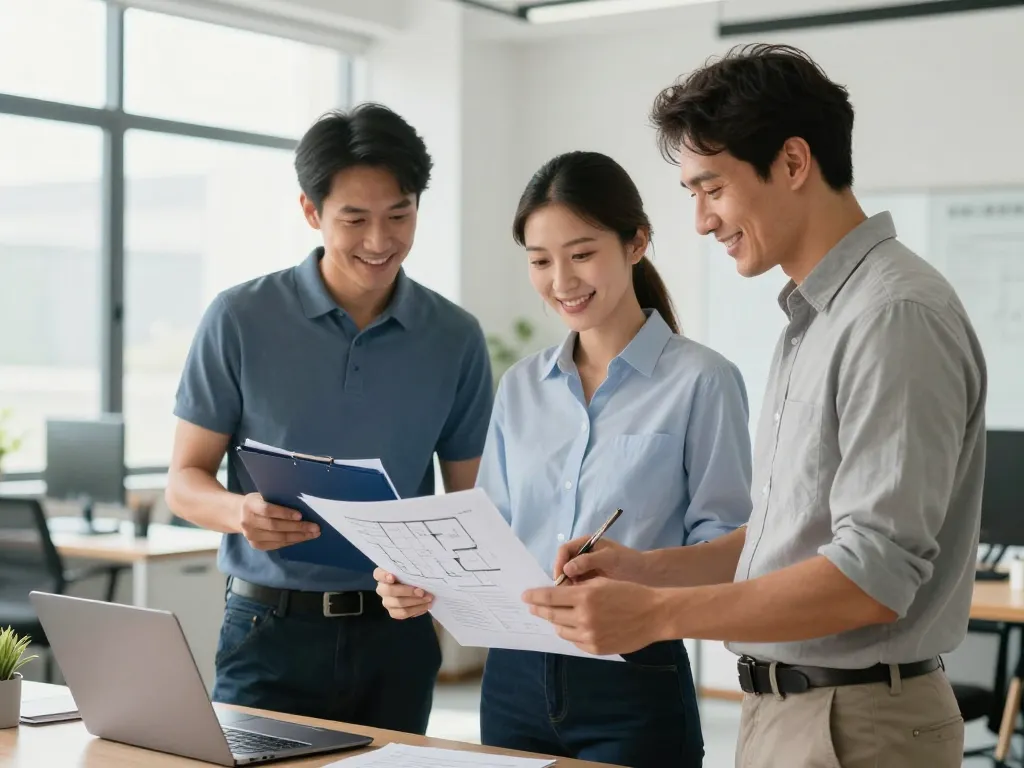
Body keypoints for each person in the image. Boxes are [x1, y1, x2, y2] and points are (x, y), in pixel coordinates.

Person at [521, 44, 988, 768]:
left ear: (794, 163)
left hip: (856, 724)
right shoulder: (816, 319)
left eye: (712, 188)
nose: (703, 222)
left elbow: (871, 576)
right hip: (791, 713)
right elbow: (784, 538)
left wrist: (657, 615)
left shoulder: (893, 313)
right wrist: (646, 571)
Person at [374, 150, 753, 767]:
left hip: (635, 675)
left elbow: (732, 551)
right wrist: (424, 580)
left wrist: (637, 570)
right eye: (540, 260)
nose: (562, 281)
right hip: (512, 681)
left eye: (581, 254)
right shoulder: (522, 385)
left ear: (637, 243)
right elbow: (487, 534)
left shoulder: (702, 381)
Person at [165, 103, 494, 734]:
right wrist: (240, 513)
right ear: (312, 213)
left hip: (397, 637)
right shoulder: (239, 318)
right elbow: (184, 479)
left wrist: (444, 582)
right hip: (268, 632)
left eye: (400, 215)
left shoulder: (454, 337)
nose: (380, 240)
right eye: (355, 219)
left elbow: (471, 501)